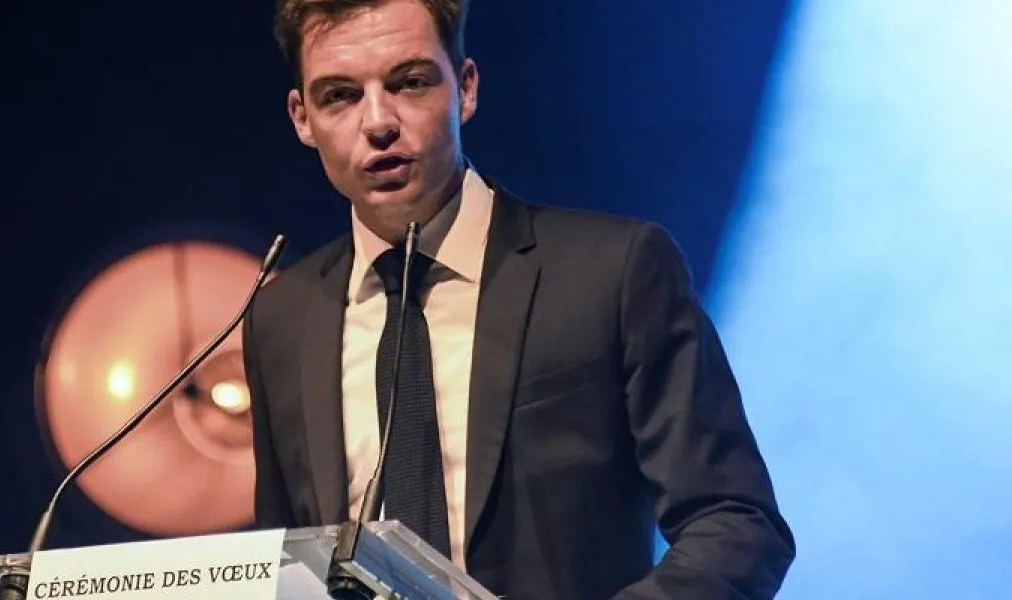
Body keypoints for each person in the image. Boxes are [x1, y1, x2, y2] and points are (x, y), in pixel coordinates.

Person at [243, 0, 796, 597]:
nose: (378, 121)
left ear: (467, 89)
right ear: (302, 118)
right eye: (340, 97)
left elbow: (737, 524)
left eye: (409, 83)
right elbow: (282, 566)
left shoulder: (611, 272)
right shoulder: (282, 318)